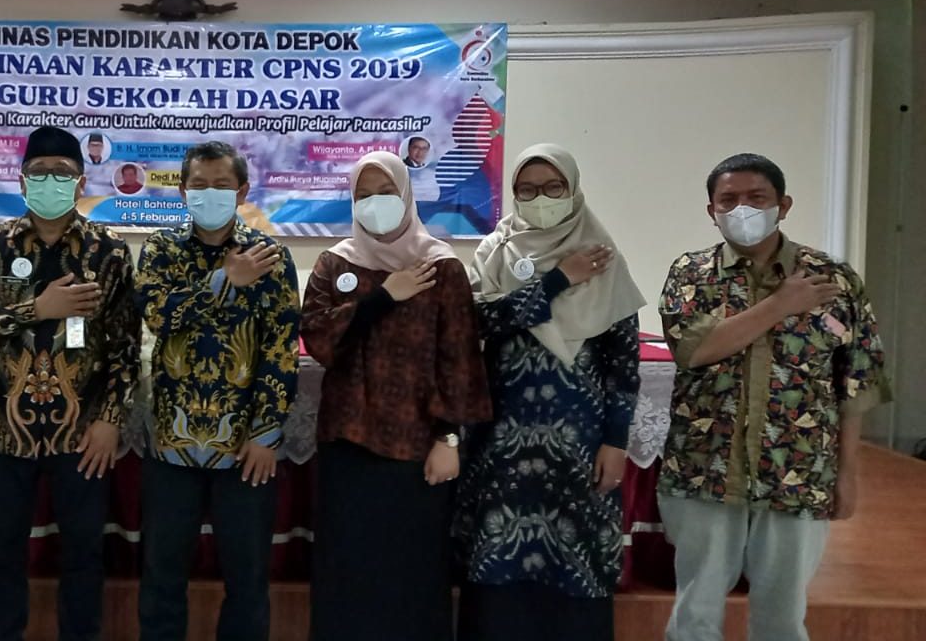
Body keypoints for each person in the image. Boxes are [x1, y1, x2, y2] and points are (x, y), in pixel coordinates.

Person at [657, 153, 888, 641]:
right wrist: (781, 304)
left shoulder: (833, 279)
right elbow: (694, 349)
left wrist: (847, 474)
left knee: (782, 615)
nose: (741, 208)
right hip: (704, 468)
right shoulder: (691, 273)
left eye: (756, 197)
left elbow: (857, 381)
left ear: (783, 205)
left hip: (798, 470)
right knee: (695, 611)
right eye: (728, 200)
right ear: (712, 211)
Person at [0, 125, 139, 641]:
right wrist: (36, 309)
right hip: (5, 428)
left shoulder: (109, 250)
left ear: (81, 182)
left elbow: (126, 345)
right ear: (21, 180)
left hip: (82, 433)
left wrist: (111, 420)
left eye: (62, 172)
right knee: (3, 552)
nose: (50, 180)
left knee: (83, 553)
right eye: (39, 172)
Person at [454, 144, 646, 641]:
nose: (540, 198)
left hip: (578, 442)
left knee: (575, 555)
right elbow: (475, 321)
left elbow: (623, 364)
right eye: (527, 189)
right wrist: (558, 280)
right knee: (497, 555)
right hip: (500, 441)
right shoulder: (493, 252)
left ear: (573, 189)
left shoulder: (603, 259)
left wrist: (616, 441)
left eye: (552, 187)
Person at [300, 151, 490, 641]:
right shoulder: (335, 262)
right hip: (347, 444)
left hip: (416, 446)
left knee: (412, 573)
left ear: (406, 194)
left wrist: (449, 437)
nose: (375, 203)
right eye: (363, 195)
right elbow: (318, 338)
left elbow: (459, 355)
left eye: (385, 193)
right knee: (348, 573)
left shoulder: (440, 266)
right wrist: (383, 296)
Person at [135, 142, 300, 641]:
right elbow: (158, 316)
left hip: (245, 444)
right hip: (172, 441)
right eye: (199, 185)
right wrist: (224, 281)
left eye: (221, 185)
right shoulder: (161, 249)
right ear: (183, 192)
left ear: (242, 191)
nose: (210, 193)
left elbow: (281, 349)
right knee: (162, 575)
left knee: (247, 580)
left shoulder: (271, 256)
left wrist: (267, 434)